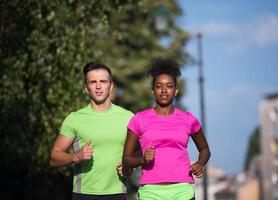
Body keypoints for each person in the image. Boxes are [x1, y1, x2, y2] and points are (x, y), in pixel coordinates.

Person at [123, 58, 211, 200]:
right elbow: (127, 159)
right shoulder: (139, 119)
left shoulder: (188, 119)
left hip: (182, 189)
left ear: (176, 91)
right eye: (159, 86)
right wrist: (143, 160)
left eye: (169, 86)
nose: (164, 90)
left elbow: (205, 150)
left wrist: (200, 163)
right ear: (153, 91)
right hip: (150, 191)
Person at [50, 61, 133, 200]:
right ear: (86, 87)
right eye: (93, 82)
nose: (98, 86)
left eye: (103, 81)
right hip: (84, 194)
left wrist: (130, 167)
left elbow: (139, 150)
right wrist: (76, 156)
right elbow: (54, 157)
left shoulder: (129, 118)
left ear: (111, 86)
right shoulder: (74, 118)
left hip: (117, 194)